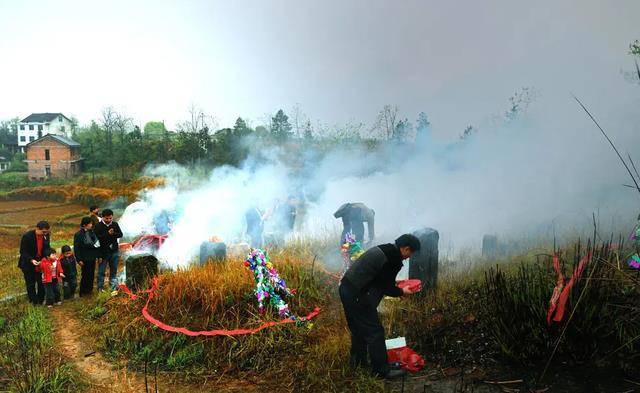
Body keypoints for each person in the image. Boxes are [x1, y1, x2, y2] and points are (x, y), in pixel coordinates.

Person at [339, 234, 422, 379]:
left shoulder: (386, 249)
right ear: (406, 248)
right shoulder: (393, 259)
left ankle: (358, 363)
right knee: (375, 332)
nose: (408, 257)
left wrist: (397, 287)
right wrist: (402, 291)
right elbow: (385, 286)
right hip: (358, 294)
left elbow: (381, 278)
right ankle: (381, 370)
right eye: (410, 253)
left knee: (358, 329)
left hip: (347, 288)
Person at [18, 221, 51, 305]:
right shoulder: (27, 236)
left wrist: (47, 257)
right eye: (43, 232)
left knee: (41, 282)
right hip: (28, 263)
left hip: (40, 262)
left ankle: (40, 300)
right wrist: (31, 260)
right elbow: (23, 251)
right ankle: (34, 302)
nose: (45, 234)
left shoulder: (46, 235)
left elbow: (46, 248)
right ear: (37, 229)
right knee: (30, 284)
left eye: (46, 232)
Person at [94, 209, 123, 292]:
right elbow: (97, 238)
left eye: (110, 218)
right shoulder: (98, 226)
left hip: (114, 251)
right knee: (101, 271)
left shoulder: (115, 224)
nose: (108, 220)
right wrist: (108, 234)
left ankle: (113, 286)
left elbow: (120, 234)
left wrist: (113, 234)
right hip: (103, 252)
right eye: (106, 218)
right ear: (102, 217)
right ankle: (100, 288)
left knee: (113, 270)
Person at [74, 216, 102, 296]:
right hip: (84, 258)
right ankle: (83, 292)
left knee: (91, 274)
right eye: (89, 223)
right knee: (85, 275)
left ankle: (89, 290)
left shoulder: (92, 233)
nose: (91, 225)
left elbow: (97, 245)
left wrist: (99, 256)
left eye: (91, 223)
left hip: (92, 257)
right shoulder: (79, 235)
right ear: (84, 225)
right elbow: (77, 248)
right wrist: (79, 259)